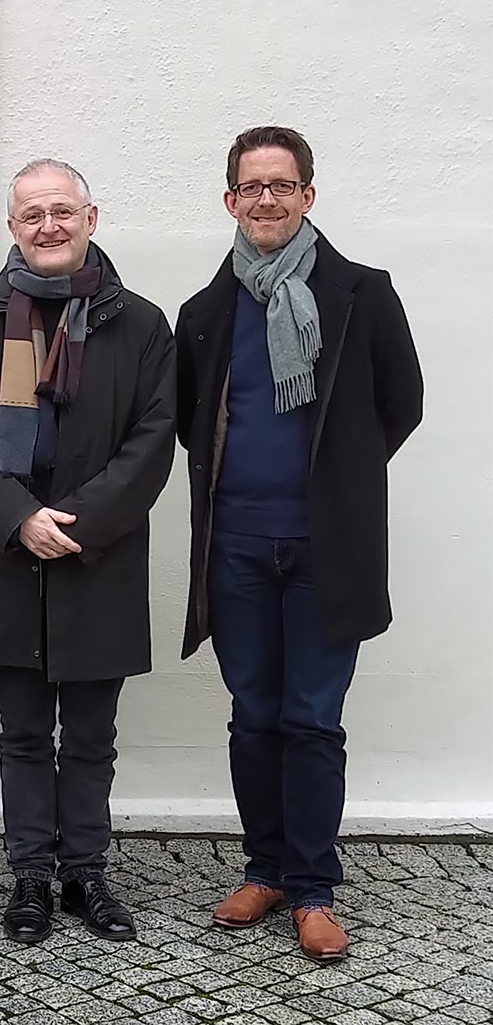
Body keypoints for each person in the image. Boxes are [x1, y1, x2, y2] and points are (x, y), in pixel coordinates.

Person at [176, 126, 423, 961]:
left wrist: (339, 481)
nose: (269, 200)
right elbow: (190, 421)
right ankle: (266, 867)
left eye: (284, 185)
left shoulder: (361, 292)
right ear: (231, 201)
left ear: (309, 196)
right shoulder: (205, 313)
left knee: (312, 720)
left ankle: (314, 886)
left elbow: (402, 402)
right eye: (253, 187)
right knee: (253, 717)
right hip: (237, 546)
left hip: (326, 550)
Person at [0, 159, 175, 945]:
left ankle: (88, 871)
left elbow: (153, 437)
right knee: (24, 734)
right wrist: (19, 516)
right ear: (14, 227)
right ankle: (32, 873)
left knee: (93, 735)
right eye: (32, 214)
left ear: (91, 218)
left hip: (96, 557)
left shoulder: (140, 322)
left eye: (62, 211)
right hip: (7, 557)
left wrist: (78, 520)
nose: (49, 226)